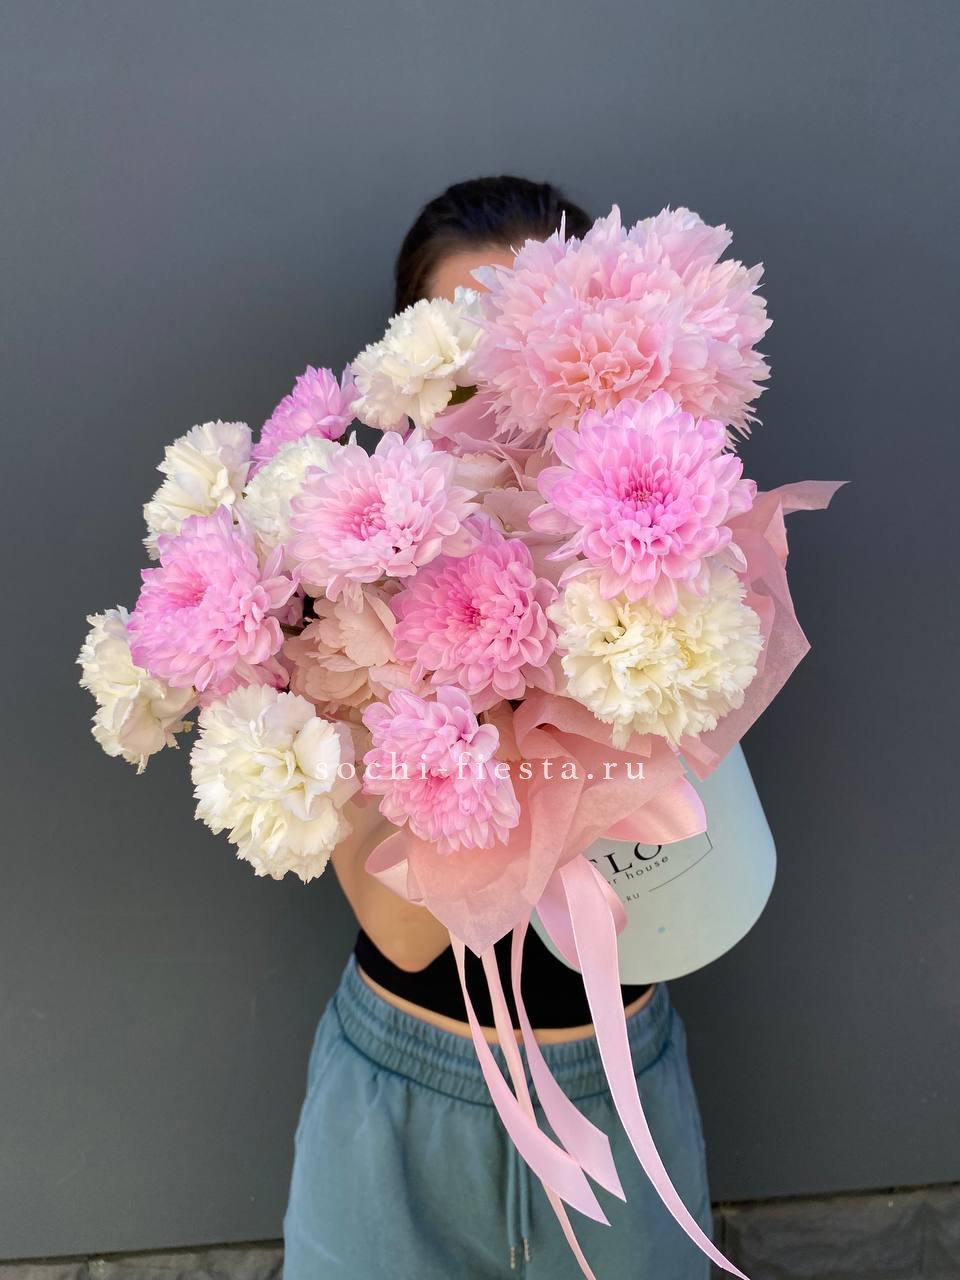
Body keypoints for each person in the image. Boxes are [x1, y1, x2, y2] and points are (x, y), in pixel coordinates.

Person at [282, 175, 714, 1279]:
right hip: (401, 1095)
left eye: (527, 346)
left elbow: (698, 870)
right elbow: (406, 927)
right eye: (463, 356)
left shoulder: (678, 561)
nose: (493, 396)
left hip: (615, 1087)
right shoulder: (341, 588)